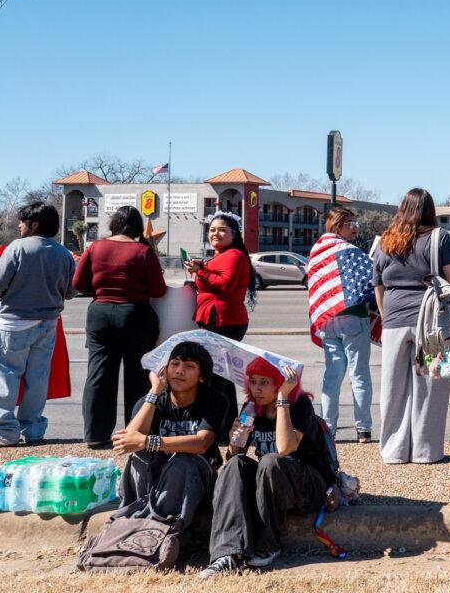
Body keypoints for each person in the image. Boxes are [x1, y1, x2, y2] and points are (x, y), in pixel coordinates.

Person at [201, 359, 333, 577]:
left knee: (270, 461)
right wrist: (236, 441)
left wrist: (282, 399)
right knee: (236, 465)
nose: (257, 389)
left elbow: (285, 448)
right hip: (272, 483)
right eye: (253, 382)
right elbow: (235, 456)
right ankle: (227, 553)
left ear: (281, 383)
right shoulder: (251, 407)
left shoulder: (300, 405)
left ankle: (269, 544)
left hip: (308, 483)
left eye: (265, 382)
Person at [372, 188, 450, 464]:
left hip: (394, 320)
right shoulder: (439, 237)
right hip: (431, 323)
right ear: (430, 210)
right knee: (431, 387)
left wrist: (387, 314)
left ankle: (394, 450)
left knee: (392, 388)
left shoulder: (386, 240)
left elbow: (378, 284)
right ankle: (426, 451)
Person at [74, 205, 167, 448]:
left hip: (100, 312)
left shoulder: (94, 247)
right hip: (135, 314)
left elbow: (78, 282)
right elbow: (158, 290)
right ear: (137, 227)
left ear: (113, 224)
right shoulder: (143, 251)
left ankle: (95, 435)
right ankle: (135, 432)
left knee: (99, 374)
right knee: (139, 375)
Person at [0, 203, 76, 446]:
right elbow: (70, 291)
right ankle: (33, 429)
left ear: (34, 224)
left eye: (22, 221)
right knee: (38, 377)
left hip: (13, 322)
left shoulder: (17, 248)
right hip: (48, 323)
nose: (19, 225)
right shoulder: (64, 253)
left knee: (3, 374)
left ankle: (5, 431)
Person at [112, 342, 227, 533]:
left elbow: (201, 444)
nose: (179, 371)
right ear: (164, 369)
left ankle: (165, 529)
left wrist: (149, 441)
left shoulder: (215, 400)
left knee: (182, 461)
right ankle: (136, 519)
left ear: (202, 377)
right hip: (156, 478)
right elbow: (128, 441)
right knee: (140, 457)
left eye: (189, 366)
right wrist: (154, 392)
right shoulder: (152, 399)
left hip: (196, 478)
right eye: (174, 364)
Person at [308, 206, 375, 443]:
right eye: (352, 224)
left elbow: (315, 285)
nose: (355, 229)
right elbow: (372, 278)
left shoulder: (316, 250)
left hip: (327, 320)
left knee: (332, 376)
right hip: (354, 317)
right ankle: (363, 429)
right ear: (338, 226)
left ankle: (328, 429)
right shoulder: (349, 251)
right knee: (359, 375)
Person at [185, 210, 256, 432]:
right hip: (216, 317)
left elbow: (225, 284)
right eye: (212, 230)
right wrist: (202, 269)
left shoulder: (234, 255)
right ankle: (225, 428)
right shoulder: (220, 255)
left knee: (216, 376)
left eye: (222, 230)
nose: (216, 233)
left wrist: (200, 271)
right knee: (220, 376)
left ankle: (216, 428)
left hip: (223, 319)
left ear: (234, 234)